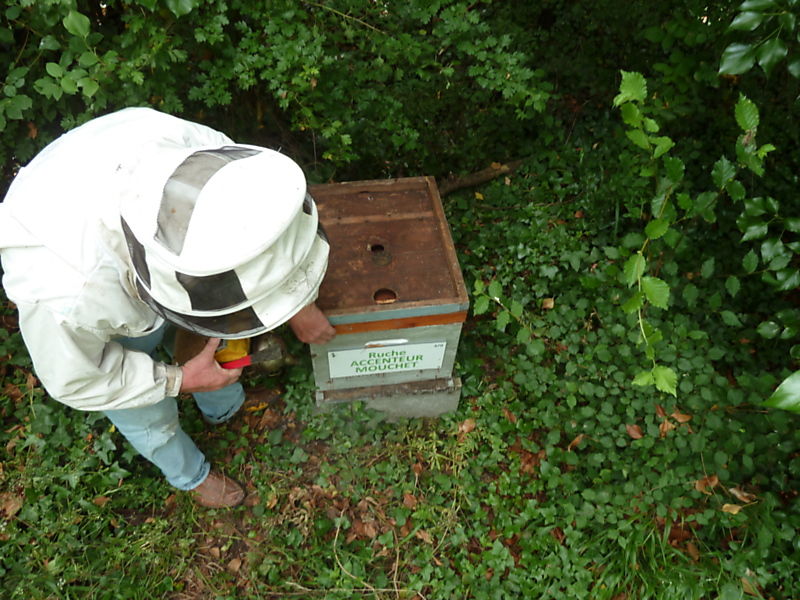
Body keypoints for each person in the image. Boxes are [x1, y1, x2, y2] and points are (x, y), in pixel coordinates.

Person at [0, 107, 336, 508]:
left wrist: (298, 302)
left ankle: (223, 407)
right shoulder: (65, 294)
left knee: (211, 343)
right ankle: (190, 474)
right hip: (97, 316)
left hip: (115, 227)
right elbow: (80, 379)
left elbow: (270, 245)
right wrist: (177, 381)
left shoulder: (205, 154)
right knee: (147, 414)